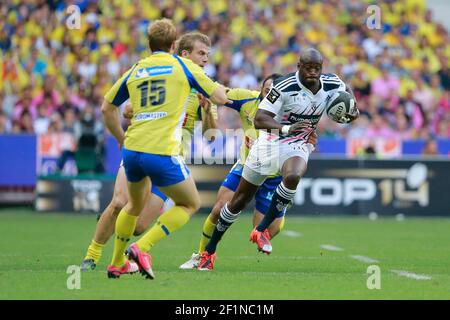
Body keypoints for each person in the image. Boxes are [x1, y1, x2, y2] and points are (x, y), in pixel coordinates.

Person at [197, 48, 359, 270]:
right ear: (299, 67)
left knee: (293, 176)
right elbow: (260, 119)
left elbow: (346, 93)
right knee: (239, 201)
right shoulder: (283, 86)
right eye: (308, 68)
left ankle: (261, 229)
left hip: (298, 143)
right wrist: (287, 128)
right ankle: (210, 251)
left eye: (317, 68)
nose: (313, 72)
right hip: (269, 142)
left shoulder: (332, 82)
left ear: (322, 68)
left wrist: (351, 109)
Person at [80, 31, 219, 272]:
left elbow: (211, 135)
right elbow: (130, 107)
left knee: (139, 225)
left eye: (207, 54)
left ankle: (125, 256)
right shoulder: (167, 76)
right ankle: (92, 256)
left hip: (170, 159)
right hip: (144, 147)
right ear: (184, 53)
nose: (206, 59)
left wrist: (207, 112)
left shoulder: (202, 89)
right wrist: (131, 112)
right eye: (201, 53)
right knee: (119, 203)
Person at [179, 74, 318, 269]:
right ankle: (203, 255)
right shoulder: (248, 99)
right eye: (266, 89)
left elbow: (307, 136)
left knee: (266, 230)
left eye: (274, 91)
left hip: (274, 176)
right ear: (261, 90)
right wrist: (200, 86)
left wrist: (309, 139)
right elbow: (221, 93)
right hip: (247, 166)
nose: (270, 93)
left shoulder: (290, 111)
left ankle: (282, 206)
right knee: (220, 208)